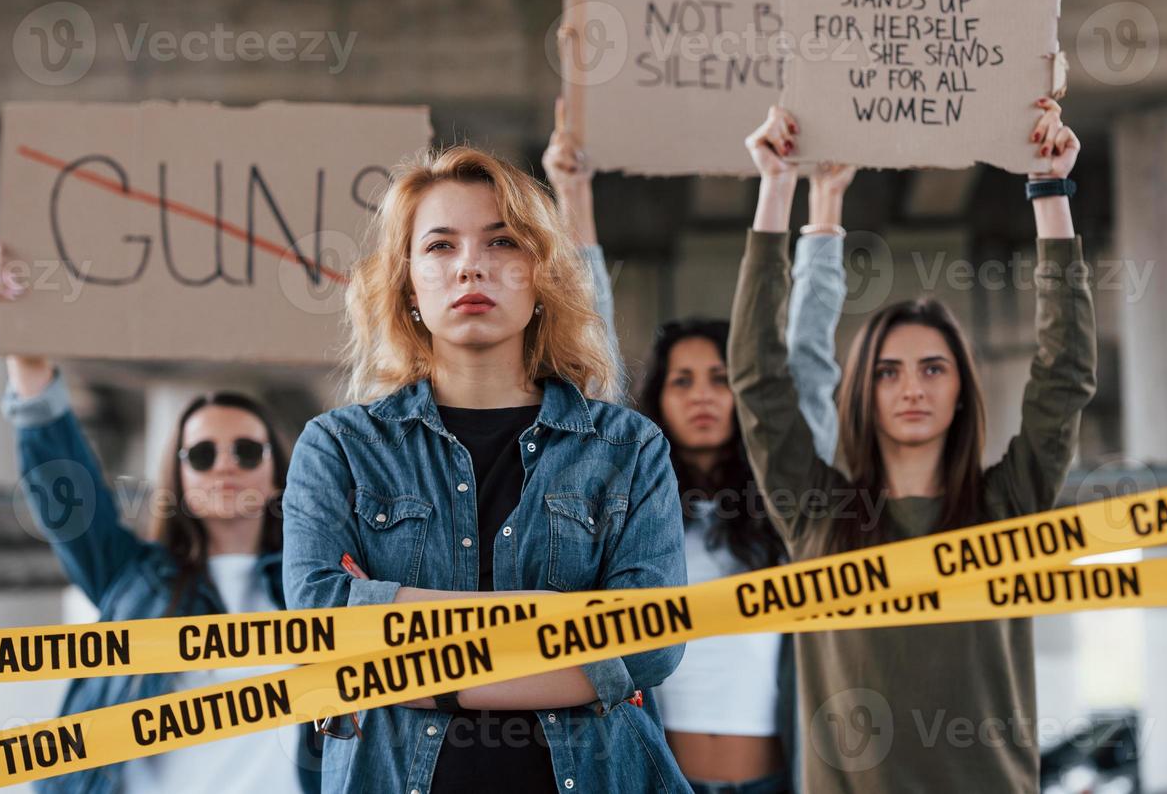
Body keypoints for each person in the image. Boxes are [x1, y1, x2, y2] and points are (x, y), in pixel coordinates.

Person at [282, 146, 691, 794]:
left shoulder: (626, 448)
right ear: (408, 285)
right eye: (440, 247)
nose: (471, 265)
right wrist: (559, 620)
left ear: (542, 275)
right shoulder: (340, 448)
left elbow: (646, 643)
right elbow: (318, 625)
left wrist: (408, 666)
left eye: (501, 243)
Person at [728, 98, 1099, 792]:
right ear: (863, 393)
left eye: (933, 368)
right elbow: (756, 377)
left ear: (961, 389)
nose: (911, 389)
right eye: (887, 372)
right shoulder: (816, 513)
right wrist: (776, 186)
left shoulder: (1007, 501)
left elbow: (1065, 374)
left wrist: (1048, 190)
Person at [542, 96, 853, 794]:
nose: (704, 393)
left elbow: (805, 365)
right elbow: (592, 363)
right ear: (659, 400)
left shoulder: (784, 503)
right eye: (682, 380)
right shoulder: (630, 499)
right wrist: (573, 192)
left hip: (774, 780)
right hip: (655, 776)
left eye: (720, 377)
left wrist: (823, 203)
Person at [0, 241, 322, 794]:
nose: (226, 466)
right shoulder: (131, 579)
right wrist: (24, 346)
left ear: (278, 471)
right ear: (179, 477)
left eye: (247, 451)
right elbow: (63, 490)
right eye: (203, 454)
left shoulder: (323, 590)